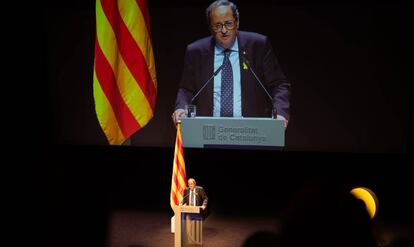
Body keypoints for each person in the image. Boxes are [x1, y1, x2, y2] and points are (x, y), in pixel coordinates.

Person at [172, 0, 291, 128]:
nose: (224, 30)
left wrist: (280, 113)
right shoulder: (196, 51)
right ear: (210, 28)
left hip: (251, 131)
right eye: (217, 26)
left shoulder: (258, 46)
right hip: (209, 130)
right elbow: (186, 89)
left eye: (228, 24)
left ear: (237, 23)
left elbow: (279, 84)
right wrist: (181, 109)